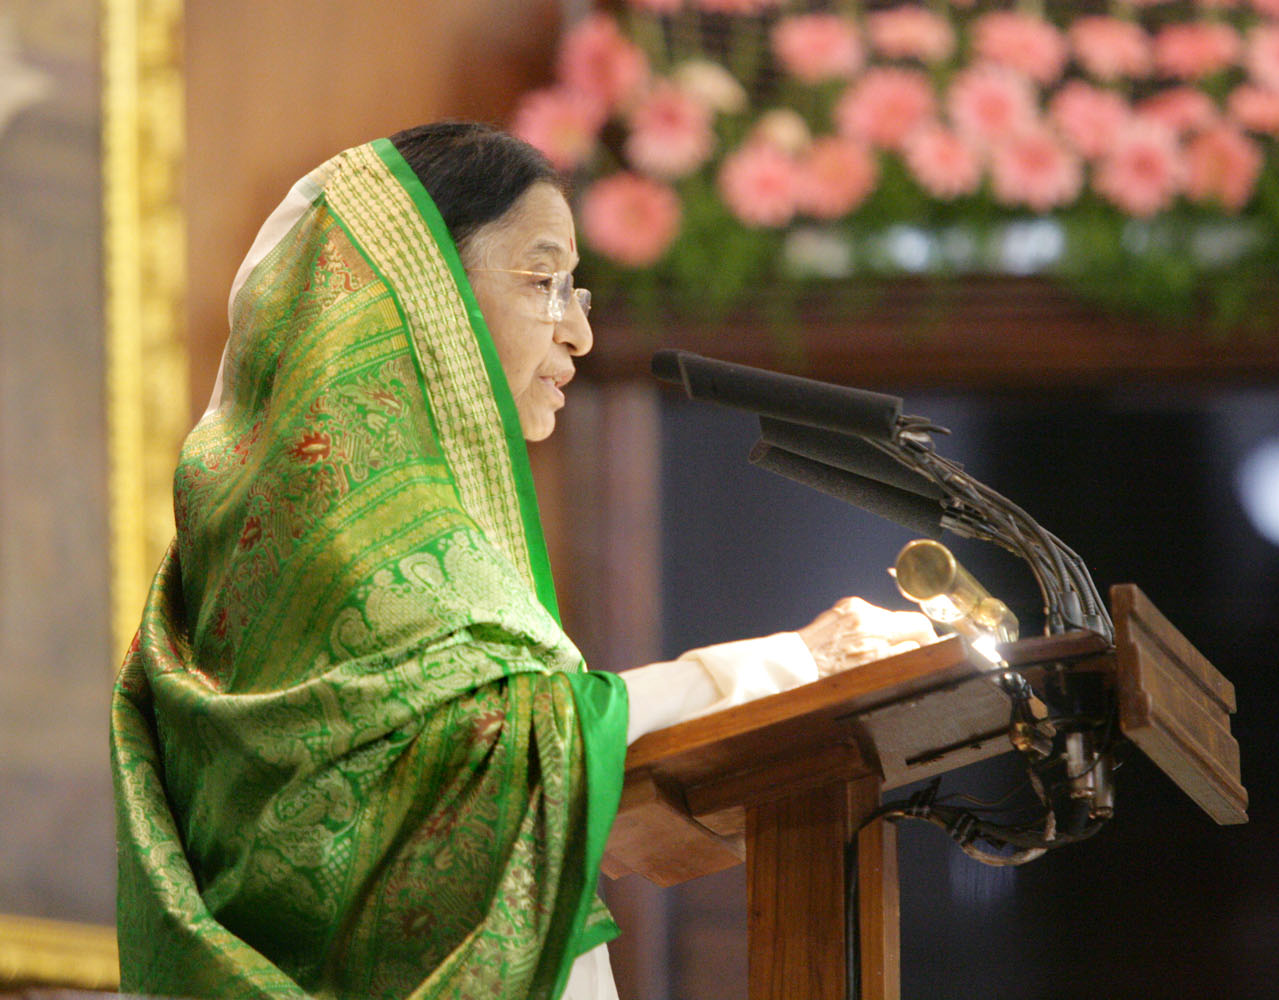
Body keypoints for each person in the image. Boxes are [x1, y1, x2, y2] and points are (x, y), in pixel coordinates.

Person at [110, 122, 934, 1000]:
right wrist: (797, 668)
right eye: (544, 281)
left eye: (577, 289)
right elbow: (508, 752)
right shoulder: (356, 544)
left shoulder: (326, 537)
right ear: (422, 300)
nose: (578, 330)